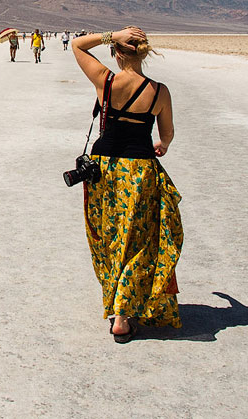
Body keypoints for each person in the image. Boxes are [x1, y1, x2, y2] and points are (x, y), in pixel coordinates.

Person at [71, 26, 183, 343]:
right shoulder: (159, 92)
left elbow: (77, 46)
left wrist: (111, 34)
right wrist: (162, 144)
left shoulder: (106, 82)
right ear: (144, 53)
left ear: (117, 51)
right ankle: (123, 315)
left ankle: (116, 304)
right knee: (141, 241)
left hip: (104, 170)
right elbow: (168, 134)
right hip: (142, 171)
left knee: (110, 237)